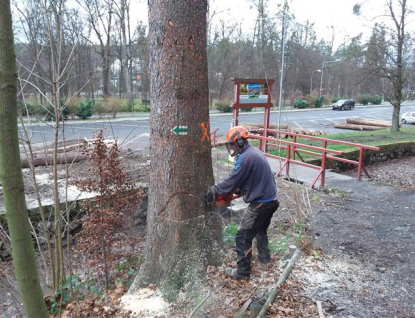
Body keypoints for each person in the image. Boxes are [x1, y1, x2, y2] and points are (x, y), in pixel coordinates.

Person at [207, 126, 279, 279]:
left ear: (239, 141)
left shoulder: (245, 158)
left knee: (242, 236)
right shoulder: (254, 152)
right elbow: (253, 178)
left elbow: (232, 180)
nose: (231, 148)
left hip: (261, 203)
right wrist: (242, 190)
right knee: (259, 230)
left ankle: (242, 273)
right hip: (272, 200)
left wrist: (215, 190)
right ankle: (265, 259)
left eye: (232, 144)